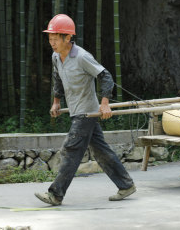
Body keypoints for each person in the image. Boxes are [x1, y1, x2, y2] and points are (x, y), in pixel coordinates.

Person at [35, 14, 136, 205]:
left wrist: (104, 103)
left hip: (86, 112)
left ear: (67, 38)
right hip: (75, 110)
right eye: (50, 39)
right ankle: (126, 185)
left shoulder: (81, 57)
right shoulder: (56, 57)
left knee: (71, 149)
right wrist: (56, 101)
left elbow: (105, 76)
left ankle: (55, 194)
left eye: (55, 39)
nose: (52, 43)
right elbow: (57, 78)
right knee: (101, 151)